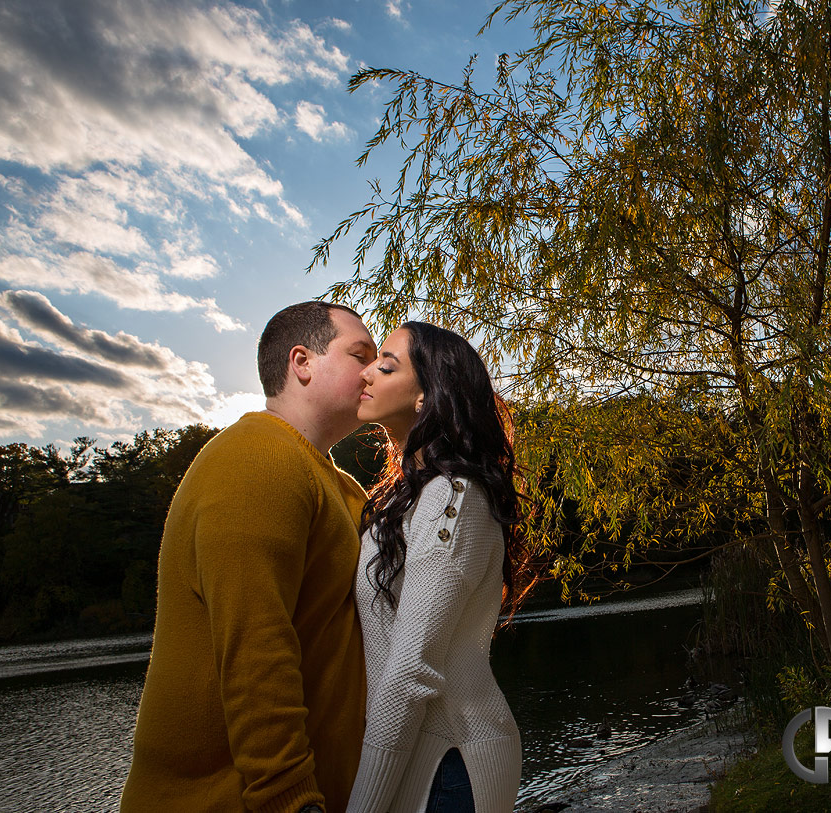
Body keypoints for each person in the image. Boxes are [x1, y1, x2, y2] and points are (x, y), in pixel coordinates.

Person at [121, 301, 377, 813]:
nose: (374, 371)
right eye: (359, 355)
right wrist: (291, 800)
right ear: (301, 363)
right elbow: (256, 649)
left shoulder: (340, 485)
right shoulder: (257, 461)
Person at [346, 321, 529, 813]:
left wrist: (364, 804)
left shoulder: (452, 496)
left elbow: (409, 672)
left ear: (426, 396)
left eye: (385, 366)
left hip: (452, 762)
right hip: (428, 760)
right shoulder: (412, 496)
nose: (366, 374)